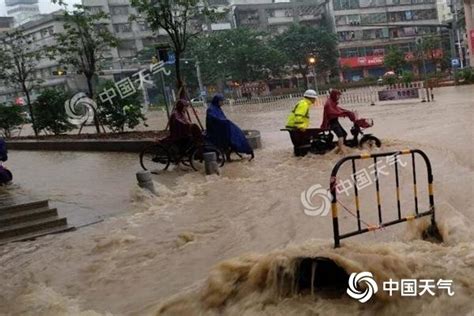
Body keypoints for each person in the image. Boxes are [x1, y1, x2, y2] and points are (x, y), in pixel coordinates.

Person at [206, 94, 254, 161]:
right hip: (215, 131)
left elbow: (222, 118)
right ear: (217, 101)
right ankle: (229, 154)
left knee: (236, 135)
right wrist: (225, 122)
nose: (222, 103)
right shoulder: (211, 109)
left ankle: (242, 150)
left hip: (222, 129)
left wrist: (225, 122)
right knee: (231, 138)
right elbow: (215, 120)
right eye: (221, 101)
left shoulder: (218, 108)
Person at [285, 89, 323, 154]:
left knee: (298, 146)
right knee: (302, 146)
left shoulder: (303, 103)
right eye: (314, 98)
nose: (315, 100)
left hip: (293, 127)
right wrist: (301, 127)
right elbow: (298, 116)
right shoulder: (304, 104)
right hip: (296, 127)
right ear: (311, 98)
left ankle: (297, 158)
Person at [321, 89, 356, 154]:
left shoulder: (332, 102)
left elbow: (338, 109)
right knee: (340, 136)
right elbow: (332, 113)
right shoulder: (329, 103)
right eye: (338, 95)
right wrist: (342, 113)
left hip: (335, 121)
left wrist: (347, 112)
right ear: (334, 95)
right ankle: (342, 151)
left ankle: (339, 148)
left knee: (344, 134)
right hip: (331, 122)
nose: (339, 97)